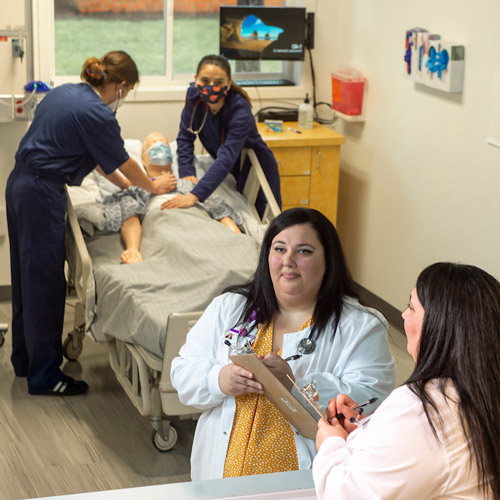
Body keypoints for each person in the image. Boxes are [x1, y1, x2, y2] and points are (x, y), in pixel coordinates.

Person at [171, 208, 396, 481]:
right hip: (219, 479)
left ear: (328, 261)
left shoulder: (360, 326)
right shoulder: (230, 307)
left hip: (304, 482)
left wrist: (295, 385)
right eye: (279, 249)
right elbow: (182, 372)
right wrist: (217, 379)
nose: (288, 260)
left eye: (304, 251)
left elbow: (372, 402)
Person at [5, 51, 176, 396]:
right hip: (42, 192)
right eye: (128, 92)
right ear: (122, 86)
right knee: (46, 284)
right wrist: (151, 185)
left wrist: (128, 185)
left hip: (20, 183)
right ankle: (45, 377)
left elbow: (101, 159)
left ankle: (25, 361)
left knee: (26, 278)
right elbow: (124, 161)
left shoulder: (66, 93)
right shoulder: (98, 113)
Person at [314, 262, 500, 499]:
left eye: (411, 307)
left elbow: (347, 494)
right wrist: (364, 432)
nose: (402, 314)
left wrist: (332, 445)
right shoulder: (481, 392)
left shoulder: (424, 410)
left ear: (438, 327)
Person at [77, 132, 244, 264]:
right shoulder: (137, 189)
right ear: (143, 159)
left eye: (164, 143)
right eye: (152, 144)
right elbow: (130, 218)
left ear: (172, 156)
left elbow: (220, 211)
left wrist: (238, 239)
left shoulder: (193, 186)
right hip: (166, 228)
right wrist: (133, 249)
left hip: (202, 228)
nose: (160, 146)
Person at [161, 54, 282, 216]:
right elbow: (185, 137)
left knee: (267, 222)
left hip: (255, 169)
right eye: (205, 81)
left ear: (229, 83)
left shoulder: (240, 110)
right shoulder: (194, 97)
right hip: (227, 169)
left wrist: (195, 195)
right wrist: (186, 170)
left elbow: (226, 157)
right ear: (196, 79)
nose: (211, 87)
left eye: (219, 83)